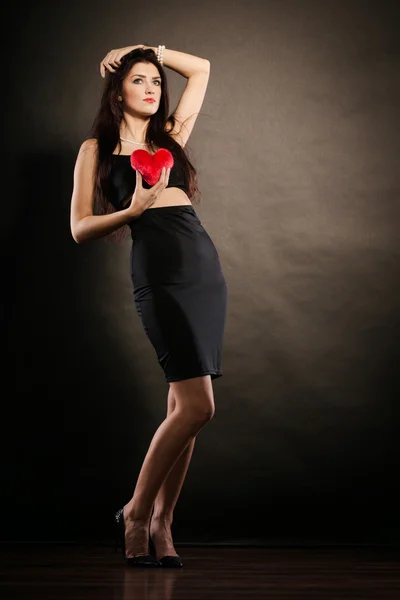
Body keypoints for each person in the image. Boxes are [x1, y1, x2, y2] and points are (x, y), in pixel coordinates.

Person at [70, 44, 228, 568]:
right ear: (118, 91)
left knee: (183, 408)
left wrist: (151, 49)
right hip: (158, 276)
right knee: (198, 407)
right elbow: (79, 228)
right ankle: (137, 513)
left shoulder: (171, 139)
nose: (152, 88)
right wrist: (132, 210)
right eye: (140, 80)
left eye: (156, 82)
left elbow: (201, 69)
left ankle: (163, 523)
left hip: (203, 271)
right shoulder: (96, 148)